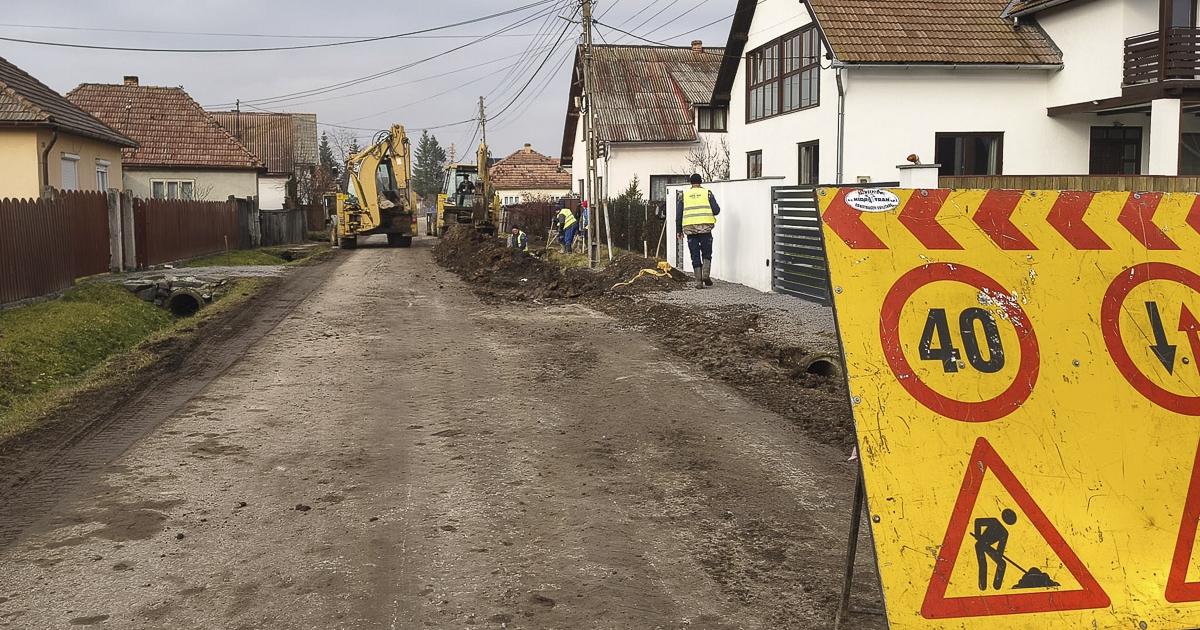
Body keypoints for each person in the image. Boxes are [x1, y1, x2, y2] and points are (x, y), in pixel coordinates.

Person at [676, 173, 721, 288]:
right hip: (705, 228)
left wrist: (679, 231)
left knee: (694, 253)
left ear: (690, 183)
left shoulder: (684, 196)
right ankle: (705, 274)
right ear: (701, 182)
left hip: (690, 229)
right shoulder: (707, 193)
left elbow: (679, 215)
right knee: (707, 252)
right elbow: (716, 210)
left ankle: (698, 281)